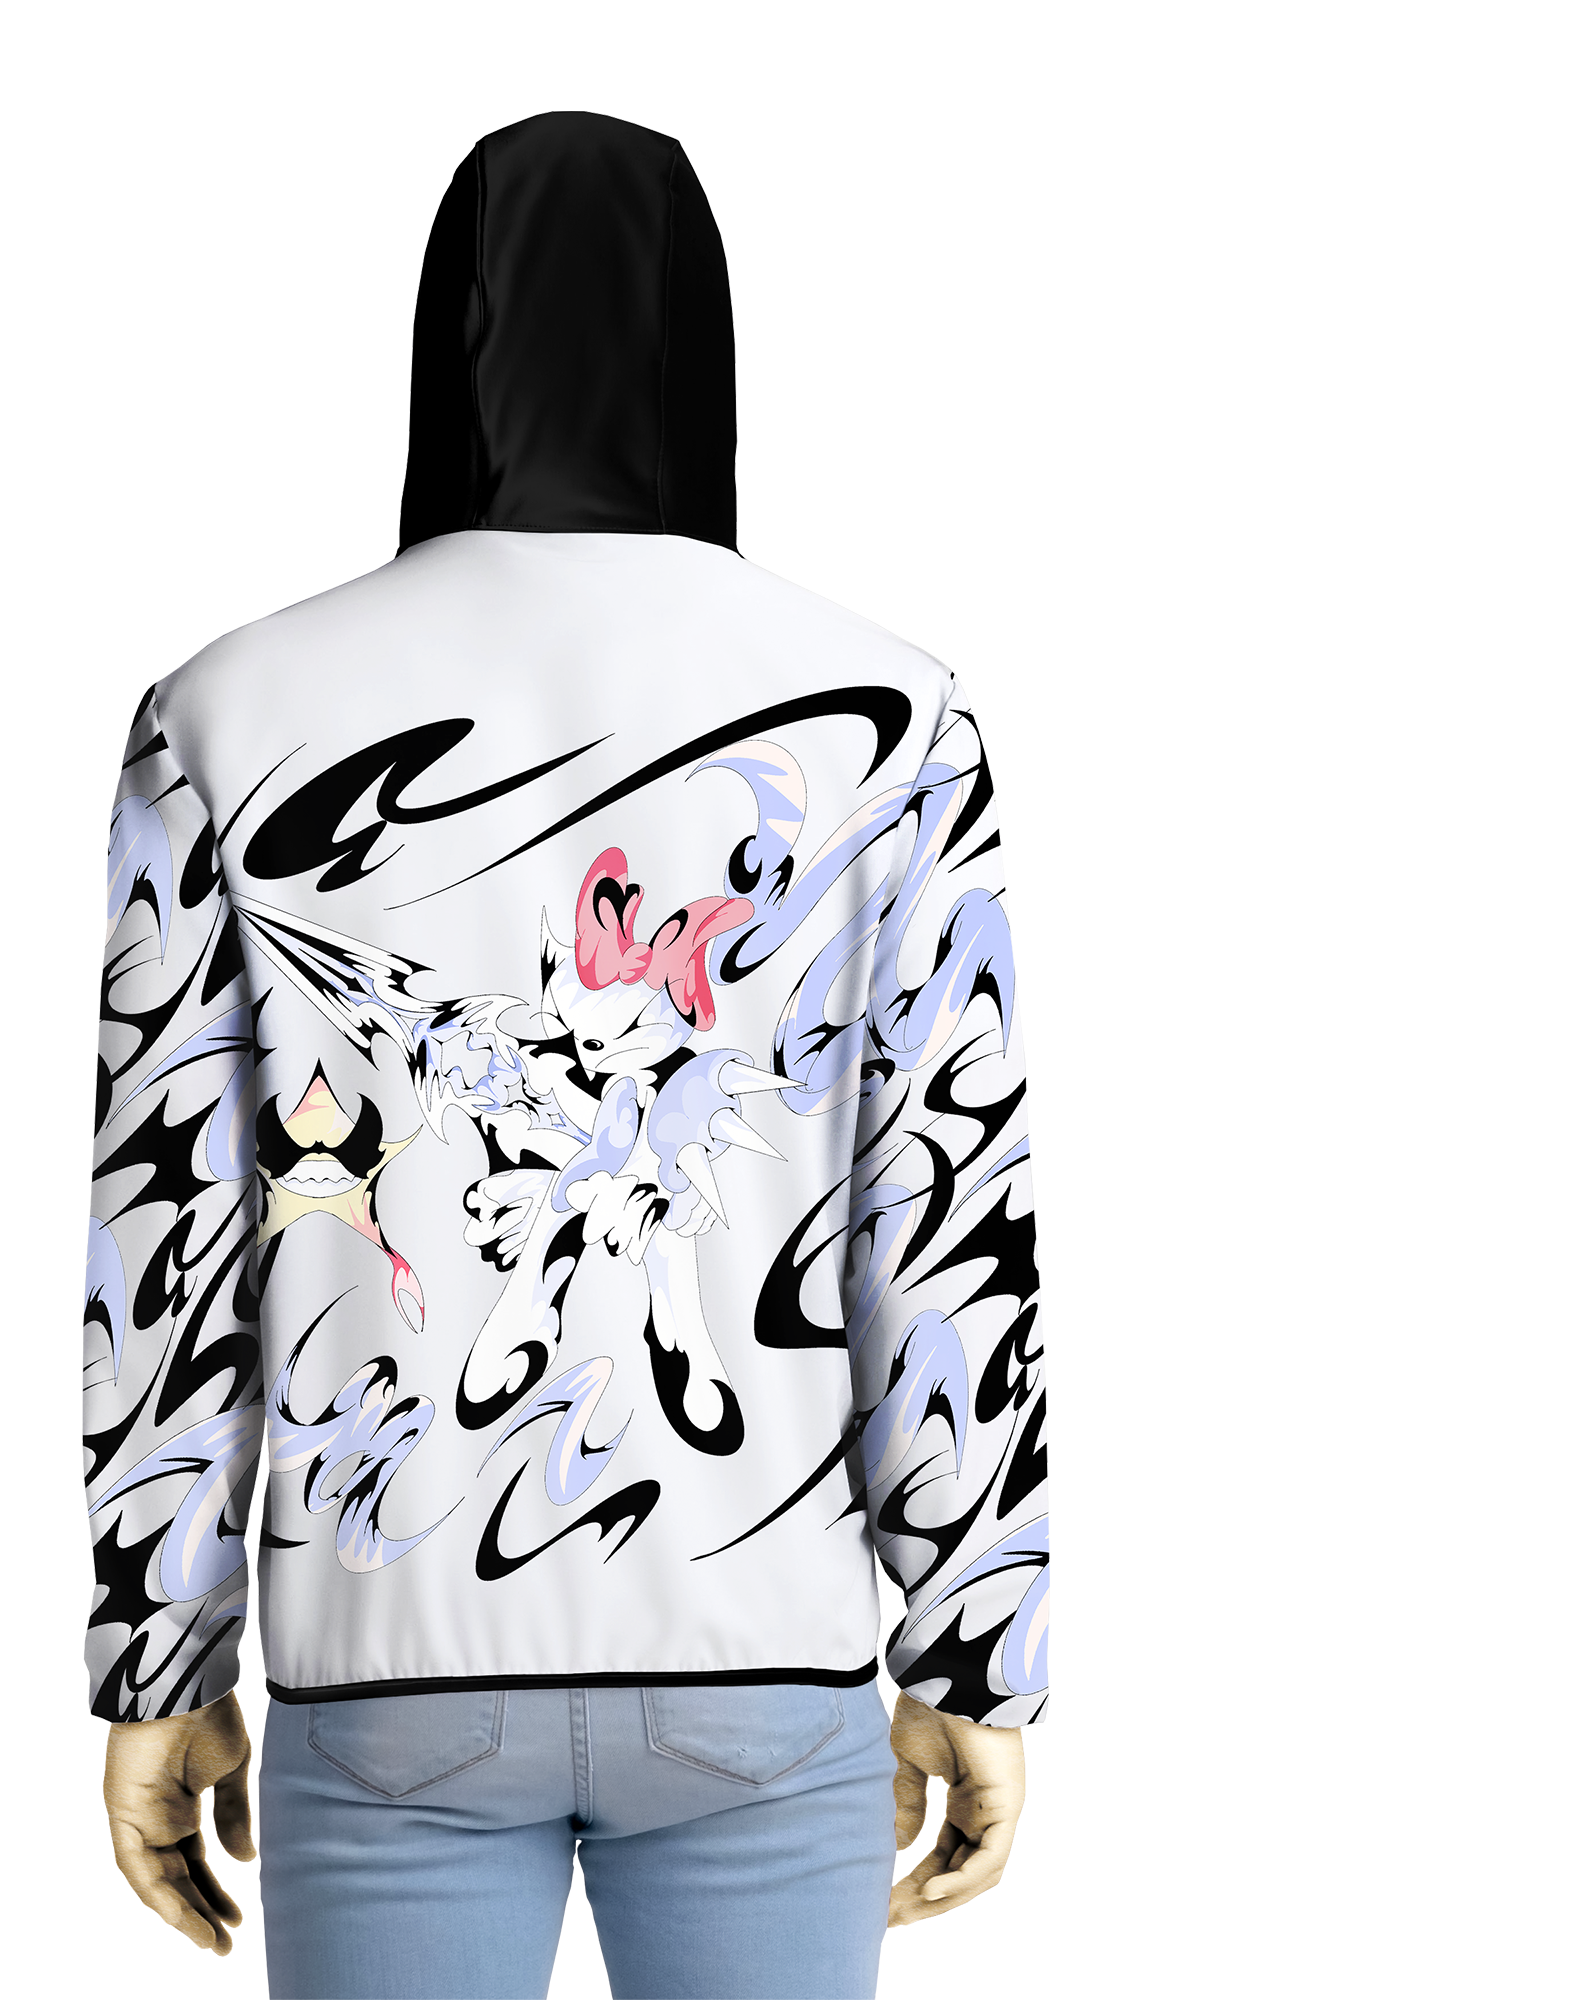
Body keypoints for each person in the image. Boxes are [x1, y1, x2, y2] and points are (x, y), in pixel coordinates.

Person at [85, 110, 1047, 2000]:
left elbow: (162, 1233)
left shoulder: (229, 710)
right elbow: (951, 1212)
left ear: (438, 352)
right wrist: (980, 1651)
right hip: (764, 1638)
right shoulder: (890, 716)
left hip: (389, 1644)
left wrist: (151, 1662)